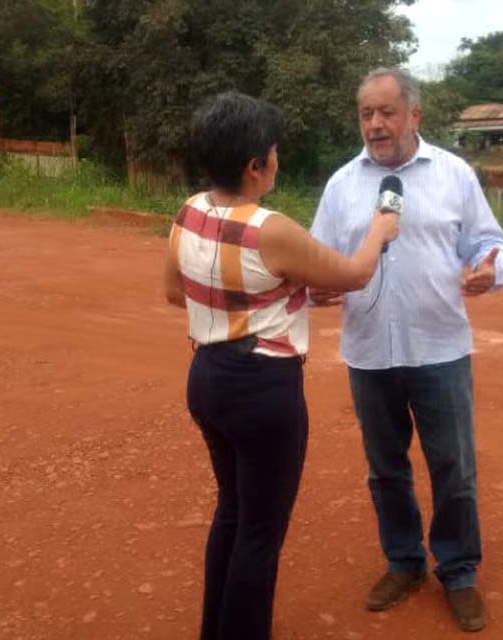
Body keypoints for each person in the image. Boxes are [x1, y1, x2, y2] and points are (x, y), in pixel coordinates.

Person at [163, 92, 399, 640]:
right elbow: (354, 274)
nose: (276, 159)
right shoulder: (272, 229)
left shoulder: (188, 212)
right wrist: (380, 231)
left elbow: (176, 293)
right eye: (272, 152)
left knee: (232, 511)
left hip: (208, 379)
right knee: (260, 532)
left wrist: (270, 298)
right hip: (263, 390)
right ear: (255, 166)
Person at [309, 68, 503, 633]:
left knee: (454, 468)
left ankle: (459, 570)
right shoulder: (343, 185)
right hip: (370, 353)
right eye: (367, 114)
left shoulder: (454, 174)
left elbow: (488, 241)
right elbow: (318, 256)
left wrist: (488, 268)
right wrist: (316, 286)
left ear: (414, 115)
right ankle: (403, 561)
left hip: (440, 348)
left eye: (387, 112)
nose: (376, 124)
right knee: (386, 469)